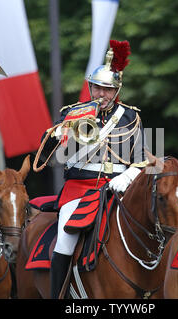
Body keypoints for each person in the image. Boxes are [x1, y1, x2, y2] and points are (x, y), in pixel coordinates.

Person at [41, 40, 148, 298]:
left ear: (116, 90)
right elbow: (46, 153)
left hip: (118, 188)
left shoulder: (130, 117)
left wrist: (128, 175)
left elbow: (143, 158)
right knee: (65, 243)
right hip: (79, 188)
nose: (102, 94)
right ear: (90, 87)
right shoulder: (73, 112)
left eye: (108, 89)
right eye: (98, 88)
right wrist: (61, 132)